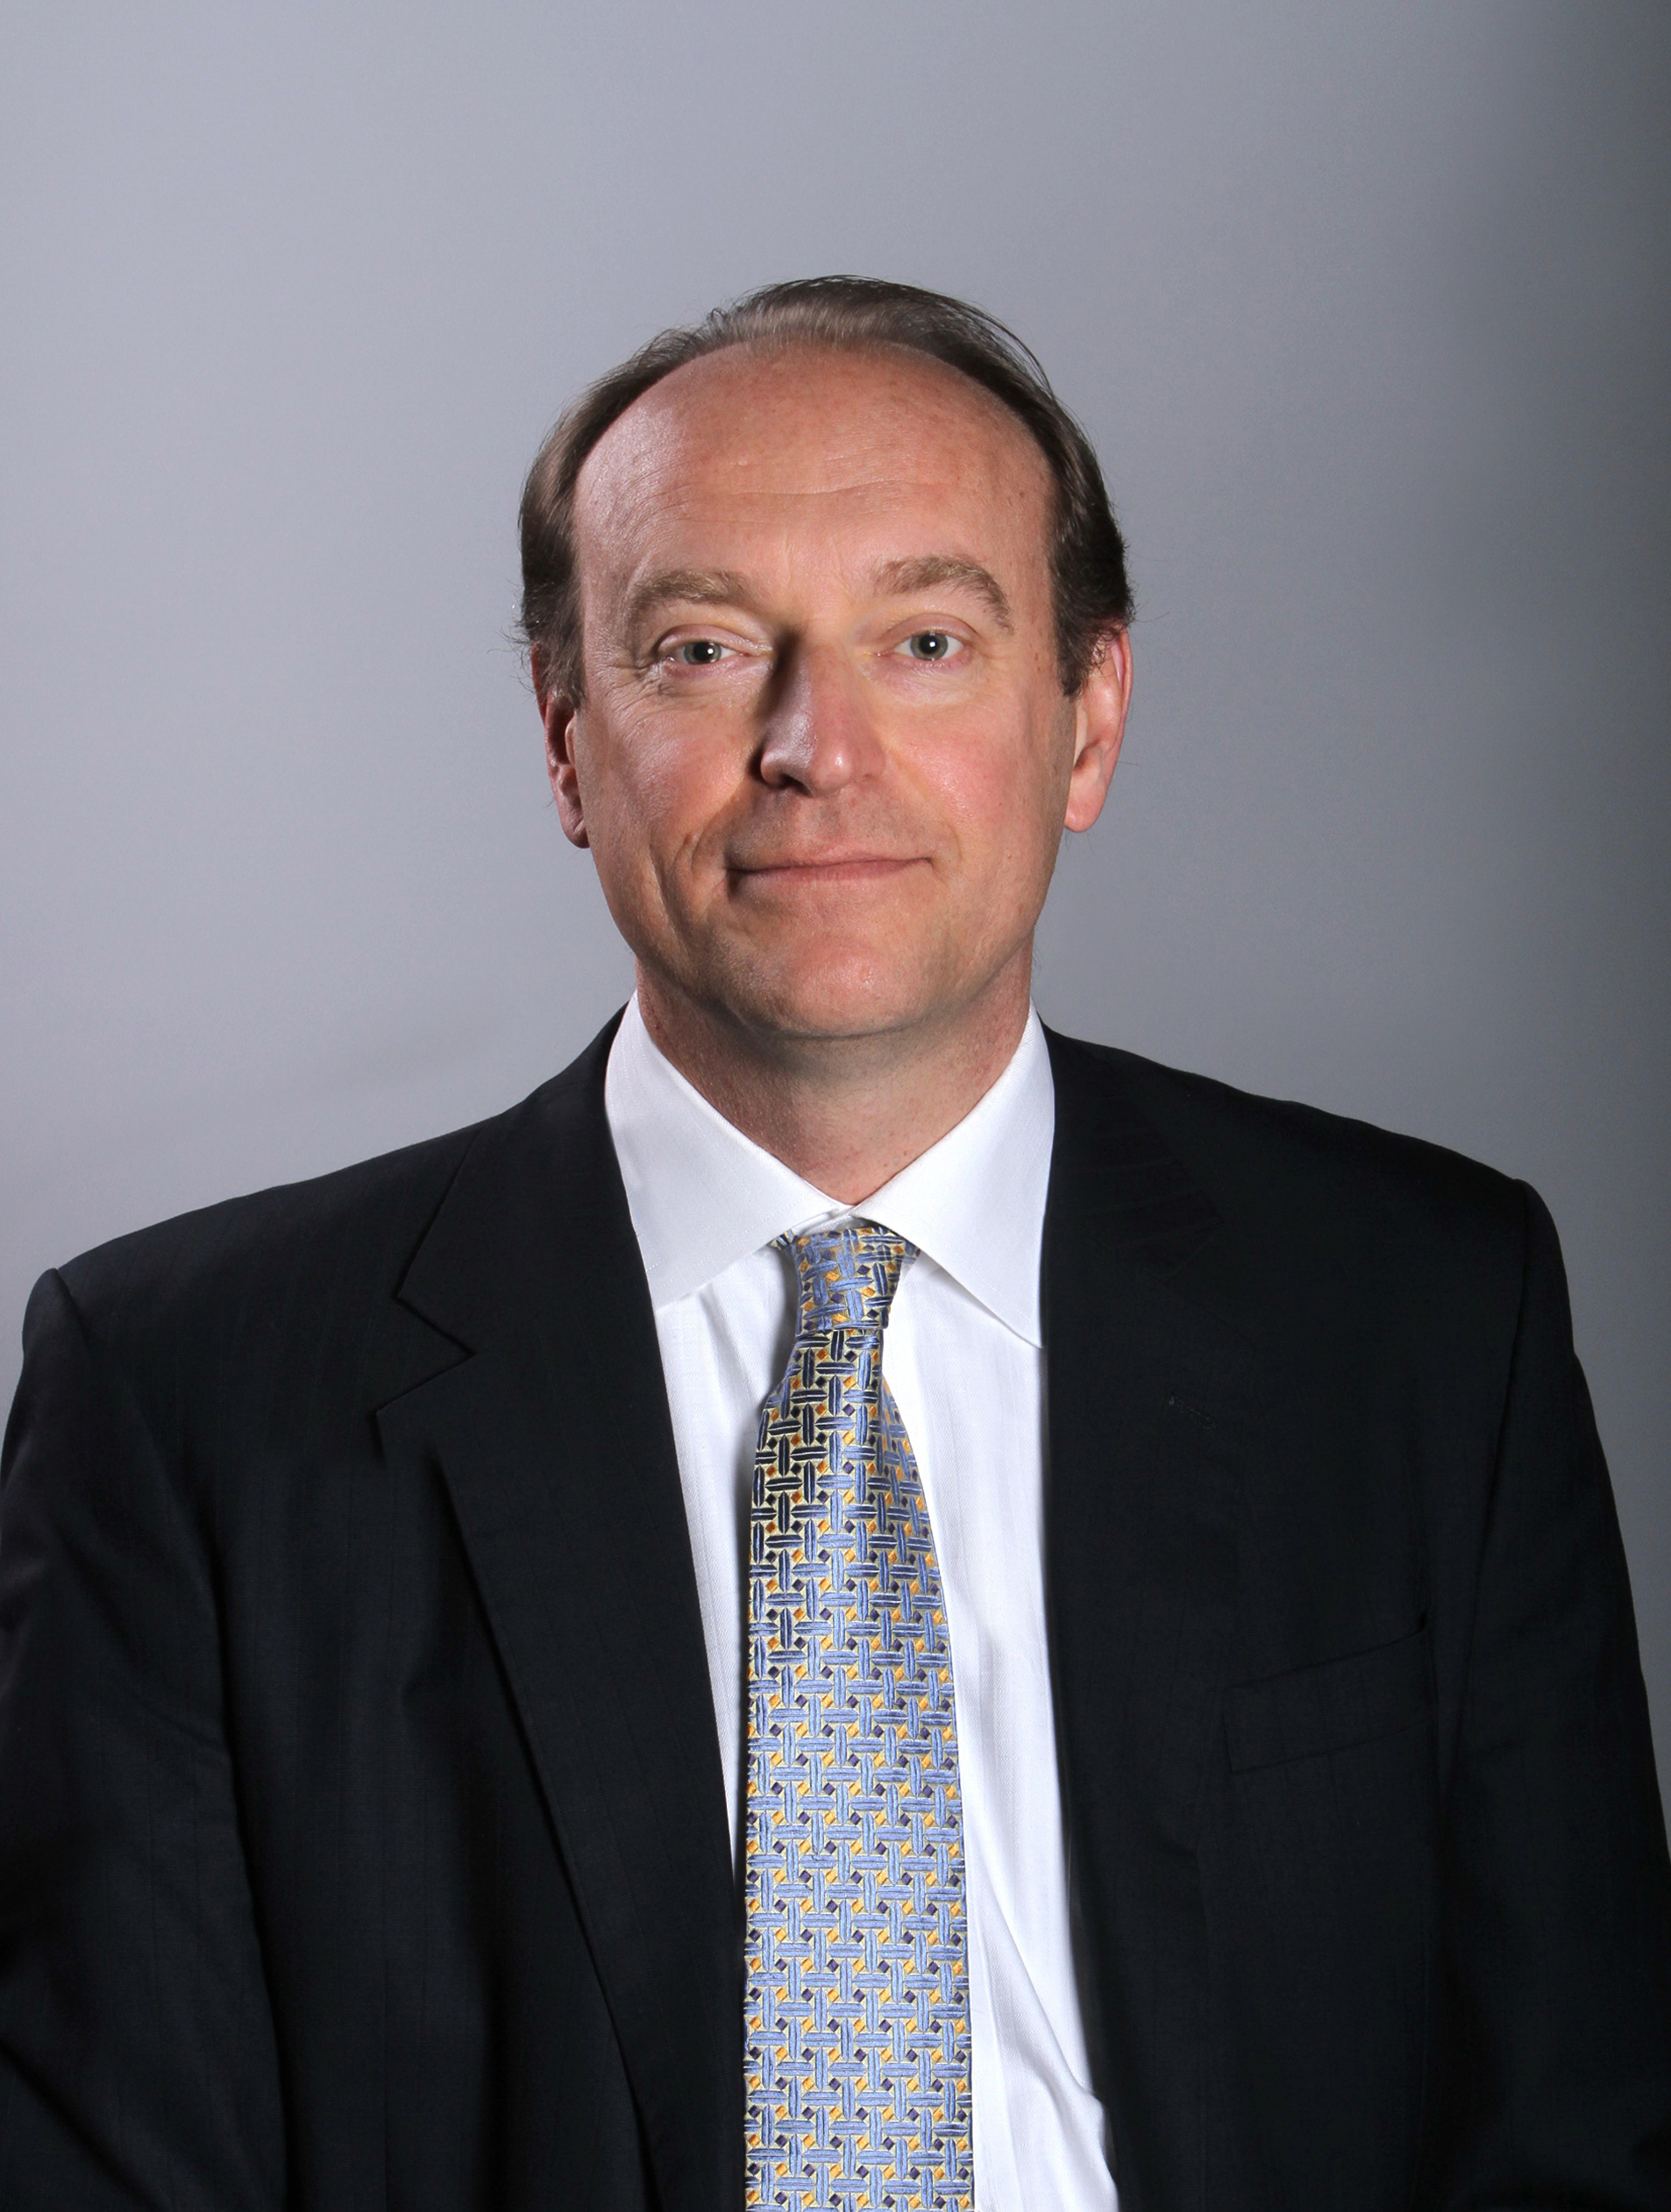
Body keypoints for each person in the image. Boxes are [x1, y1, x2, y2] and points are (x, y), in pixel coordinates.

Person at [0, 276, 1667, 2212]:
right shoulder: (186, 1402)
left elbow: (1579, 2133)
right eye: (704, 649)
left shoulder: (1421, 1316)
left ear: (1087, 720)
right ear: (566, 740)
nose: (816, 745)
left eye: (926, 640)